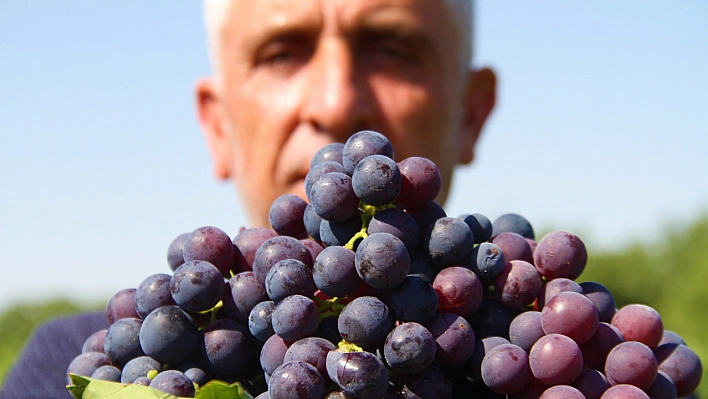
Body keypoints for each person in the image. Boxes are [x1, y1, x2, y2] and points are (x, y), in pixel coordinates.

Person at [0, 0, 495, 398]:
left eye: (391, 49)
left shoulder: (510, 354)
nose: (336, 102)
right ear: (217, 127)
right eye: (281, 53)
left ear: (472, 114)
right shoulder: (67, 368)